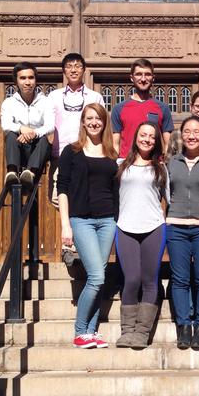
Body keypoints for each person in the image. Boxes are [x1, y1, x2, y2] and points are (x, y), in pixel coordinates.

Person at [57, 104, 119, 349]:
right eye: (89, 118)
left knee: (100, 277)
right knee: (95, 276)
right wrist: (65, 225)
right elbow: (62, 189)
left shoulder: (111, 153)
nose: (94, 122)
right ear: (83, 122)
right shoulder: (71, 151)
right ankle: (80, 331)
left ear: (104, 122)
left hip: (107, 221)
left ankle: (92, 332)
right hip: (81, 219)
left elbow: (115, 190)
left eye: (98, 118)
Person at [166, 115, 199, 350]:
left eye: (197, 131)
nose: (191, 135)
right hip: (176, 225)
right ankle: (183, 326)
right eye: (187, 131)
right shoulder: (172, 162)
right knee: (179, 279)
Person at [115, 121, 169, 349]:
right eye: (143, 135)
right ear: (136, 137)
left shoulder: (160, 168)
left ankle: (142, 332)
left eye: (152, 136)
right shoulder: (120, 165)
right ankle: (127, 330)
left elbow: (170, 199)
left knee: (149, 280)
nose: (147, 139)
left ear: (156, 142)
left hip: (153, 227)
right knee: (132, 279)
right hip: (126, 227)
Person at [47, 53, 103, 265]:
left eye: (77, 66)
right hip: (62, 155)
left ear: (83, 70)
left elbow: (101, 123)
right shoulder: (54, 96)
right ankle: (74, 241)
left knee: (82, 198)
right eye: (69, 66)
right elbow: (47, 123)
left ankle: (69, 246)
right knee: (57, 197)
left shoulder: (94, 97)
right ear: (64, 71)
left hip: (87, 154)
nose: (73, 70)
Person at [0, 61, 54, 192]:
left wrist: (33, 133)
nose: (27, 82)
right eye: (23, 78)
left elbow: (50, 126)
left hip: (38, 149)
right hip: (19, 147)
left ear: (35, 80)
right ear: (16, 82)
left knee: (45, 139)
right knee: (11, 135)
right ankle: (12, 172)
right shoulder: (9, 102)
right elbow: (6, 124)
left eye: (31, 77)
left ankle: (30, 173)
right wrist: (21, 129)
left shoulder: (46, 101)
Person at [111, 59, 173, 158]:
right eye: (139, 74)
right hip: (126, 163)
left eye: (147, 74)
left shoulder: (163, 108)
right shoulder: (118, 109)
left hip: (154, 164)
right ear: (132, 78)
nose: (143, 79)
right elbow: (115, 144)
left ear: (153, 78)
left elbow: (168, 144)